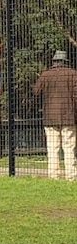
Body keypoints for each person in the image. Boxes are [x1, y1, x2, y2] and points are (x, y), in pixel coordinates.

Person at [32, 50, 77, 180]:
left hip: (50, 117)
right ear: (65, 61)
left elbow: (36, 91)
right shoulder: (73, 74)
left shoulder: (46, 74)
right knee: (69, 148)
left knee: (53, 148)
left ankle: (53, 176)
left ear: (54, 61)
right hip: (69, 117)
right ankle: (71, 176)